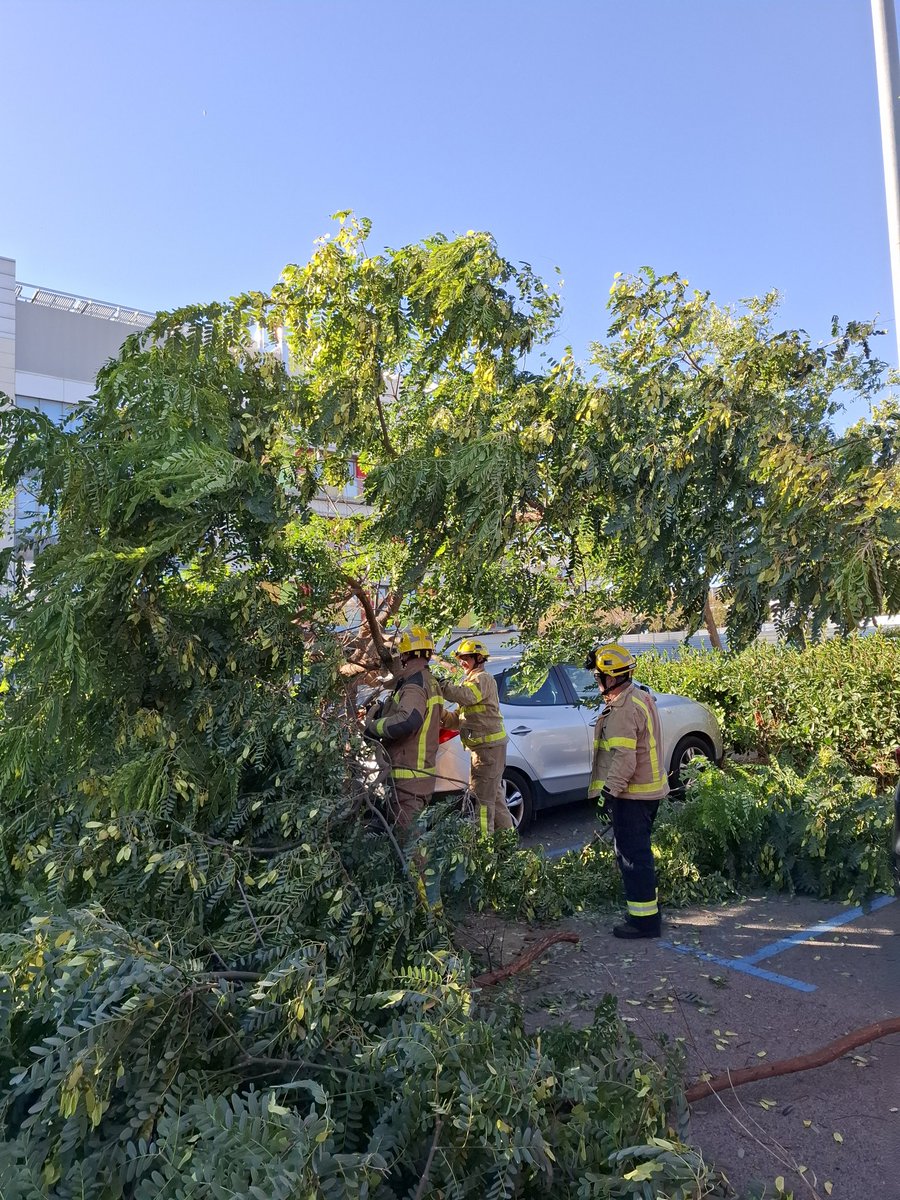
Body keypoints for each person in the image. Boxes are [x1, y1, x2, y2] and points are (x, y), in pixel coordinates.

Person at [585, 642, 669, 939]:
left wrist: (608, 793)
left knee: (633, 858)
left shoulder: (622, 710)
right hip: (649, 793)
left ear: (611, 678)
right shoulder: (640, 697)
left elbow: (625, 759)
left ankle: (643, 922)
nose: (597, 682)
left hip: (632, 796)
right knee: (638, 854)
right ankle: (646, 912)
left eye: (598, 676)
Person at [364, 626, 442, 833]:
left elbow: (409, 720)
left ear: (405, 654)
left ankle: (418, 868)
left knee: (410, 843)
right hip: (417, 773)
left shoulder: (414, 684)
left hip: (409, 775)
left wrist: (374, 727)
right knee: (407, 836)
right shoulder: (429, 681)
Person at [438, 638, 513, 834]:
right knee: (495, 799)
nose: (462, 662)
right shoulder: (470, 681)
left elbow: (467, 696)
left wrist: (441, 685)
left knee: (483, 804)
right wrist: (441, 714)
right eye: (460, 658)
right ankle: (507, 846)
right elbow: (459, 719)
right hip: (486, 751)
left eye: (466, 658)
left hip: (487, 752)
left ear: (479, 658)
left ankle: (483, 851)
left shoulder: (482, 678)